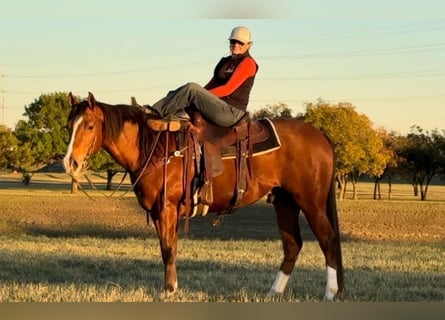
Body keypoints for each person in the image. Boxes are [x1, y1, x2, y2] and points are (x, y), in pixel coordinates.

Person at [149, 26, 259, 127]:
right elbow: (209, 86)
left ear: (249, 45)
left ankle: (152, 112)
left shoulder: (248, 63)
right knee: (176, 93)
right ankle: (167, 119)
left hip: (232, 112)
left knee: (191, 88)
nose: (236, 45)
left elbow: (227, 89)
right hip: (217, 106)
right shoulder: (225, 62)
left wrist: (197, 95)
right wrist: (196, 95)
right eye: (233, 41)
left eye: (240, 43)